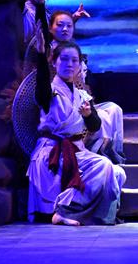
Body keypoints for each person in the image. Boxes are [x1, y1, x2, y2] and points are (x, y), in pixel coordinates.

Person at [27, 40, 126, 225]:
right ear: (54, 62)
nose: (69, 64)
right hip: (53, 153)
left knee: (118, 173)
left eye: (74, 60)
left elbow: (95, 126)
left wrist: (88, 115)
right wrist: (41, 56)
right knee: (104, 165)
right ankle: (65, 211)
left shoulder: (82, 96)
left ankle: (89, 214)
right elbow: (41, 87)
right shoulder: (50, 91)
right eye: (64, 59)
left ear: (80, 65)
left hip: (76, 152)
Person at [40, 9, 125, 165]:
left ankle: (109, 153)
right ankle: (96, 152)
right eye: (60, 25)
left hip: (77, 97)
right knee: (103, 118)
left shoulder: (72, 50)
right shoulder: (48, 53)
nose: (65, 29)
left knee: (114, 110)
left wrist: (86, 104)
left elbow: (80, 86)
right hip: (59, 105)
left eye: (69, 26)